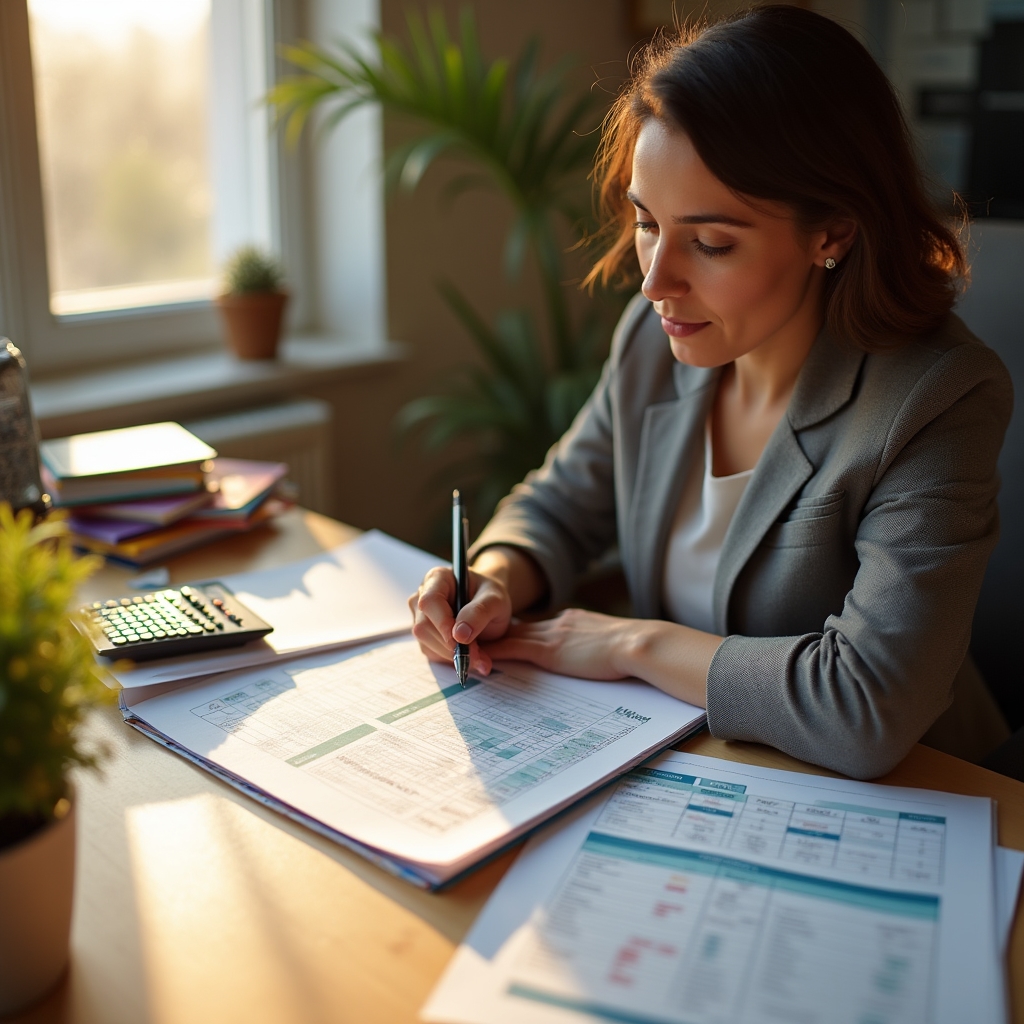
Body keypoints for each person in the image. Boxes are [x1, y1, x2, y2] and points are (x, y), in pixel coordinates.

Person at [408, 5, 1012, 779]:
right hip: (712, 764)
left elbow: (869, 705)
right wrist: (493, 575)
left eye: (712, 242)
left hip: (917, 791)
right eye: (646, 223)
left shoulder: (936, 397)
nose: (655, 282)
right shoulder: (654, 341)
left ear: (833, 232)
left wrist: (633, 643)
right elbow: (557, 504)